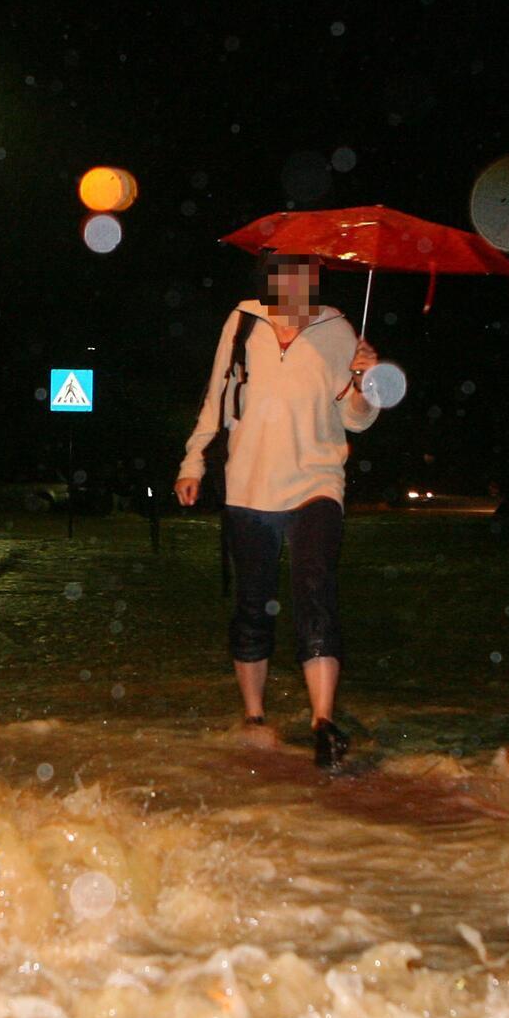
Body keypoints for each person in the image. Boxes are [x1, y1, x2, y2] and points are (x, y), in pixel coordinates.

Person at [174, 252, 380, 769]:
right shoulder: (243, 321)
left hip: (317, 481)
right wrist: (192, 461)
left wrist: (365, 381)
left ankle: (323, 721)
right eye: (285, 275)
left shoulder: (338, 330)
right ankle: (255, 718)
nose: (295, 285)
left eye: (305, 275)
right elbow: (215, 398)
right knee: (253, 603)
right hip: (250, 483)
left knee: (316, 592)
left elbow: (356, 420)